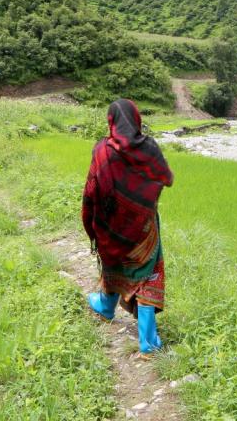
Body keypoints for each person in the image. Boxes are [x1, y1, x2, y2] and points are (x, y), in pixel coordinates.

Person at [81, 98, 174, 355]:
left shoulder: (102, 151)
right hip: (143, 227)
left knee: (114, 263)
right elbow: (166, 177)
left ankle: (105, 306)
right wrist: (142, 195)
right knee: (147, 273)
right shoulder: (148, 148)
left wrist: (92, 225)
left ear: (111, 122)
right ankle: (147, 340)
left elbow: (90, 192)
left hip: (111, 227)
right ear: (136, 120)